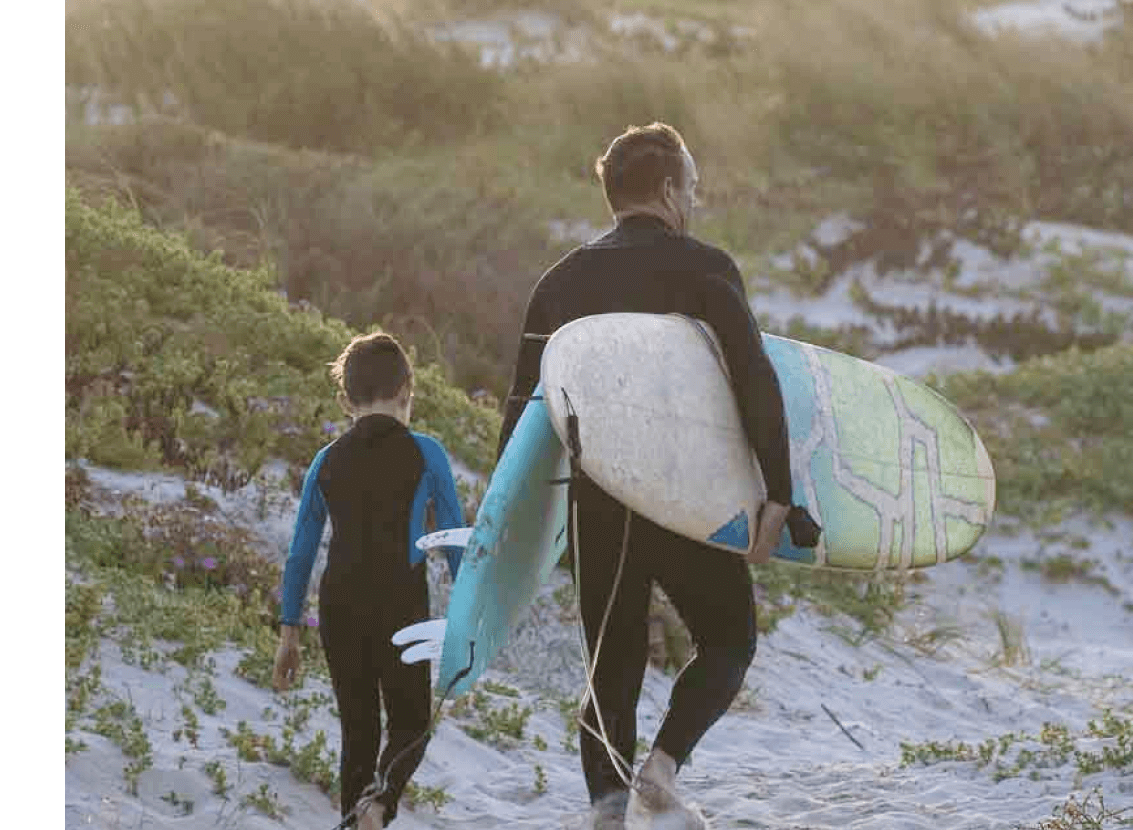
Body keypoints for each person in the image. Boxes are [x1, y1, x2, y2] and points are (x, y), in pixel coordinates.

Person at [495, 122, 816, 828]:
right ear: (669, 190)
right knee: (730, 638)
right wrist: (778, 492)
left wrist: (509, 522)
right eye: (692, 187)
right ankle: (664, 768)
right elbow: (753, 379)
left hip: (596, 500)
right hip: (681, 494)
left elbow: (524, 410)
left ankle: (607, 812)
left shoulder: (559, 282)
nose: (695, 199)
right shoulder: (703, 268)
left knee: (612, 662)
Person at [273, 332, 469, 830]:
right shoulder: (426, 453)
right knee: (410, 724)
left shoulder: (325, 460)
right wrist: (471, 616)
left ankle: (355, 816)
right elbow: (451, 540)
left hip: (339, 609)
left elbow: (300, 553)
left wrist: (289, 630)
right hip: (400, 604)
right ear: (408, 389)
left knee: (356, 733)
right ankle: (378, 805)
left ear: (345, 400)